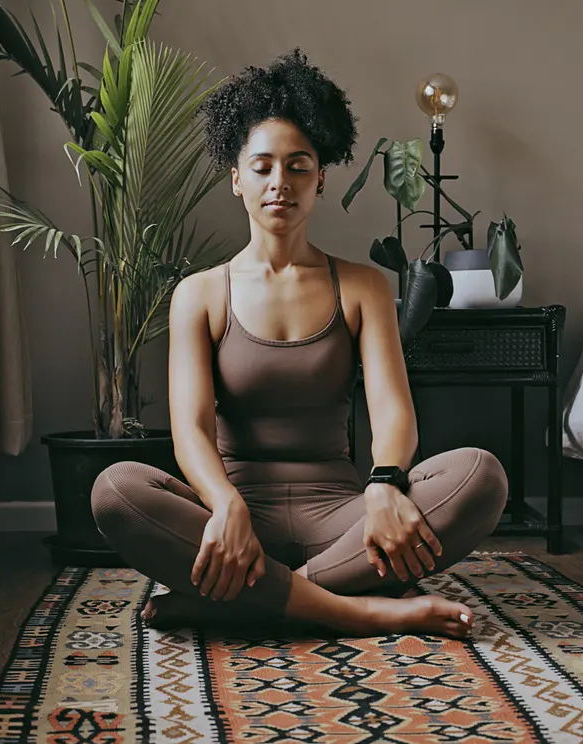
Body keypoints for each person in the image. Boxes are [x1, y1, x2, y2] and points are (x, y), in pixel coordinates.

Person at [91, 49, 508, 639]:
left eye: (298, 166)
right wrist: (227, 506)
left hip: (345, 518)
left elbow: (393, 411)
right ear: (237, 179)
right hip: (236, 517)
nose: (279, 184)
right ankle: (363, 608)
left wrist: (385, 484)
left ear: (320, 179)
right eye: (262, 167)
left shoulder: (362, 285)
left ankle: (239, 601)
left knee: (480, 477)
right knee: (115, 491)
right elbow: (189, 430)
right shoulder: (200, 293)